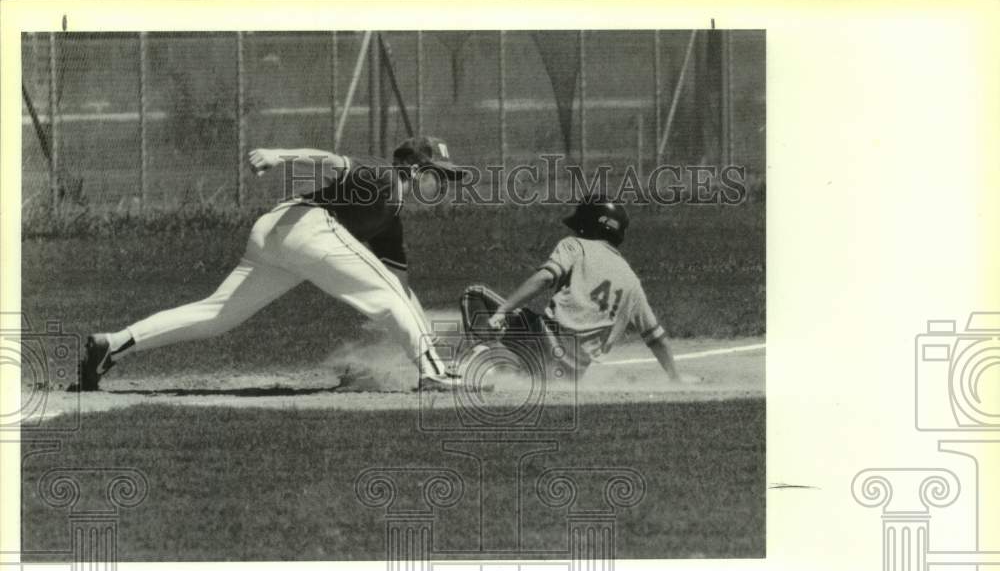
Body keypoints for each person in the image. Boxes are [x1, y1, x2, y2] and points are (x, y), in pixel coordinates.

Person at [77, 136, 467, 392]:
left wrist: (424, 334)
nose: (445, 185)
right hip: (305, 226)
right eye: (441, 176)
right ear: (415, 171)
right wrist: (280, 156)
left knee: (216, 316)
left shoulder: (390, 223)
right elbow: (331, 161)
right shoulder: (382, 177)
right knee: (382, 294)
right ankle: (435, 374)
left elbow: (401, 291)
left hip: (278, 235)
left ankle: (112, 345)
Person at [459, 195, 684, 383]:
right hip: (577, 371)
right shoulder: (632, 282)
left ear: (590, 226)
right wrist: (676, 379)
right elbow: (657, 339)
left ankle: (480, 367)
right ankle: (518, 374)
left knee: (474, 294)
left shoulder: (576, 246)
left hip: (546, 343)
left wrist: (503, 311)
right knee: (534, 367)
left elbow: (545, 278)